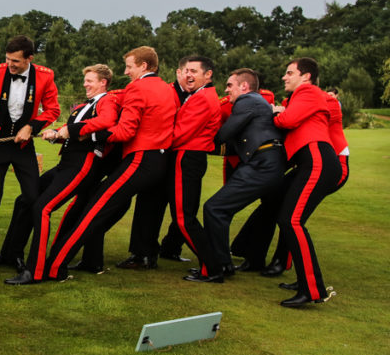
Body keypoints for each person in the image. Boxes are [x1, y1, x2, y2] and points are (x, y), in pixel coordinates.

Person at [39, 46, 179, 282]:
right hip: (159, 159)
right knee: (100, 205)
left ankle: (54, 267)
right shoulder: (168, 89)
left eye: (130, 66)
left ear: (144, 66)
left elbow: (124, 131)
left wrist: (85, 135)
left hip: (140, 158)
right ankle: (92, 261)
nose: (126, 72)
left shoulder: (138, 87)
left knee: (93, 210)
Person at [5, 64, 119, 284]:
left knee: (42, 207)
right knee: (26, 199)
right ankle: (11, 254)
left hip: (82, 163)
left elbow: (107, 122)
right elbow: (72, 132)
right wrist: (57, 134)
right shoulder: (84, 106)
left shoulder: (108, 101)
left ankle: (34, 271)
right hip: (66, 162)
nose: (85, 84)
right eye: (85, 80)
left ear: (103, 82)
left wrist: (69, 130)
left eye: (90, 80)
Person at [0, 35, 60, 281]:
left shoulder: (45, 75)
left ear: (29, 59)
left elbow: (53, 109)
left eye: (16, 61)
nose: (10, 65)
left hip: (24, 147)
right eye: (8, 60)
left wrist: (31, 126)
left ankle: (15, 253)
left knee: (33, 200)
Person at [198, 68, 286, 281]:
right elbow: (235, 146)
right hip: (268, 162)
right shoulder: (257, 103)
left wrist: (199, 140)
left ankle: (220, 266)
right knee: (265, 212)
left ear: (244, 86)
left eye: (230, 85)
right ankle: (251, 259)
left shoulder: (247, 101)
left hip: (262, 164)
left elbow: (225, 134)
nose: (227, 91)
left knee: (215, 209)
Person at [270, 57, 340, 307]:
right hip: (310, 162)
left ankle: (312, 289)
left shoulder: (308, 91)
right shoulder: (302, 95)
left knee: (291, 221)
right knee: (288, 219)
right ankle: (306, 283)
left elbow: (287, 122)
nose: (284, 77)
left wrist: (278, 114)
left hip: (317, 160)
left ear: (306, 76)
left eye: (289, 72)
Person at [158, 56, 222, 281]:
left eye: (194, 71)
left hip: (187, 157)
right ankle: (212, 265)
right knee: (185, 215)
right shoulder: (202, 95)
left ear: (208, 74)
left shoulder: (202, 98)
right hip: (191, 156)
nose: (188, 75)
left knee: (184, 217)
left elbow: (180, 134)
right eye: (186, 71)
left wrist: (155, 139)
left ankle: (212, 268)